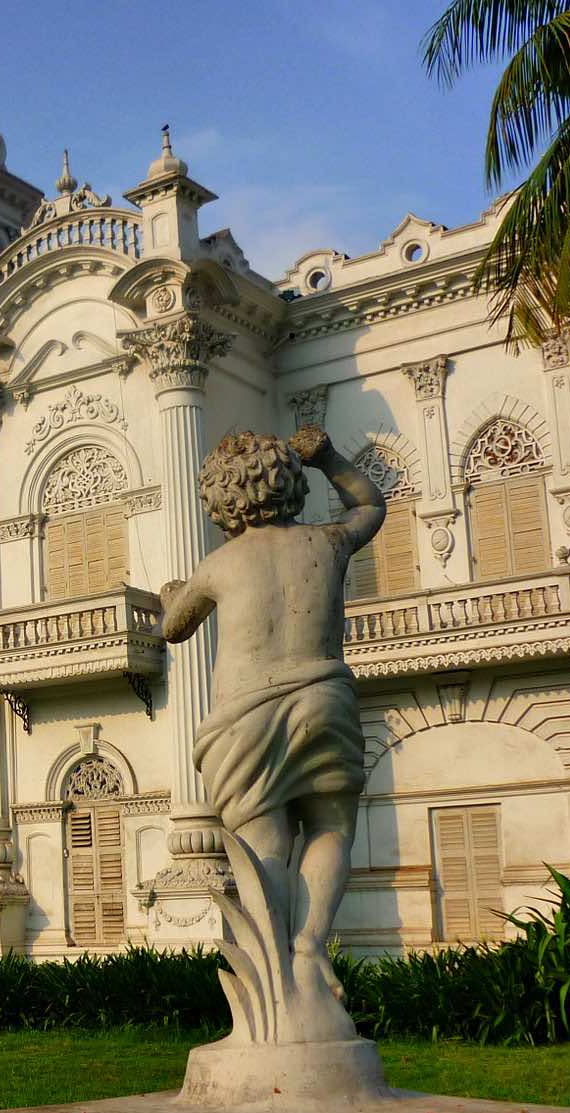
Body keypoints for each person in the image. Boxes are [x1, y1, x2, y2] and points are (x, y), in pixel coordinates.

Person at [160, 424, 383, 1027]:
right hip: (324, 696)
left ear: (219, 500)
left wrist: (172, 595)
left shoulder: (218, 564)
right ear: (289, 483)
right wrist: (328, 457)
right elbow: (371, 505)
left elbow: (174, 628)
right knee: (332, 825)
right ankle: (309, 945)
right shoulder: (329, 541)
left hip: (245, 715)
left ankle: (272, 971)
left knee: (265, 845)